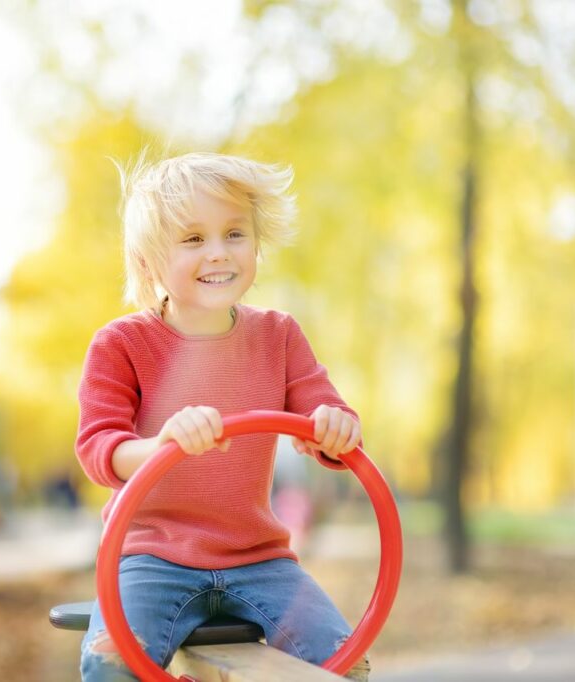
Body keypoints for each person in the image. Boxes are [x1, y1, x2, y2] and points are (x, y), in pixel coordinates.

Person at [75, 151, 370, 681]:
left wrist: (335, 427)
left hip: (260, 560)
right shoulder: (122, 344)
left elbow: (326, 416)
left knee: (344, 663)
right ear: (148, 261)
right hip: (150, 556)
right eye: (193, 239)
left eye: (235, 234)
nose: (218, 253)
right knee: (110, 665)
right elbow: (100, 450)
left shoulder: (278, 336)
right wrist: (163, 444)